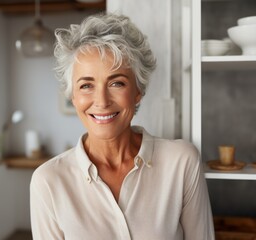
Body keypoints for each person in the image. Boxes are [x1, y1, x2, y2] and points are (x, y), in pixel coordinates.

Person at [30, 13, 215, 240]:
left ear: (138, 92)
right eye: (86, 85)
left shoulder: (182, 162)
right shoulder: (48, 181)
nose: (102, 101)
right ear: (73, 96)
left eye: (117, 83)